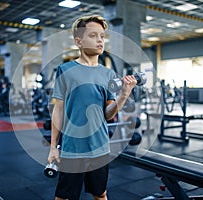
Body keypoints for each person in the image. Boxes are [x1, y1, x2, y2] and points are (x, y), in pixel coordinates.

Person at [48, 15, 137, 200]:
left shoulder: (108, 74)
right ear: (78, 41)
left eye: (102, 36)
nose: (99, 40)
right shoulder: (65, 70)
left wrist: (123, 96)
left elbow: (108, 114)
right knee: (63, 197)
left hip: (100, 147)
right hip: (72, 148)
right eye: (93, 35)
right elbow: (58, 110)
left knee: (101, 194)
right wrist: (53, 147)